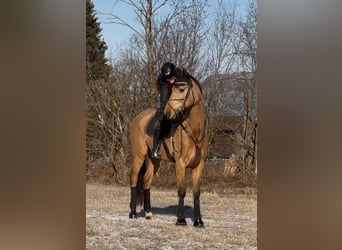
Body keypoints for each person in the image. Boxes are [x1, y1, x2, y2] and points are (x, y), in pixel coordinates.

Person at [152, 62, 182, 158]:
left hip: (180, 99)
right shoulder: (164, 83)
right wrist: (161, 116)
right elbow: (164, 102)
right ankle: (155, 148)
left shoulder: (180, 76)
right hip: (168, 99)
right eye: (169, 79)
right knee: (162, 119)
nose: (171, 80)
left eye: (172, 77)